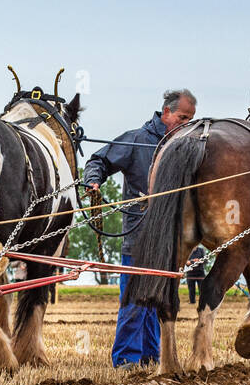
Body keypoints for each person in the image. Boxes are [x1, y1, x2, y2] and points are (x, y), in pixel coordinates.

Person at [82, 88, 197, 368]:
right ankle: (126, 359)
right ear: (166, 112)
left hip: (170, 240)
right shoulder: (136, 140)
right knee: (134, 301)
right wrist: (93, 181)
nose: (187, 125)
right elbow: (98, 160)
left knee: (157, 301)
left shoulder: (186, 146)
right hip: (137, 235)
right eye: (183, 118)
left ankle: (150, 356)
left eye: (191, 119)